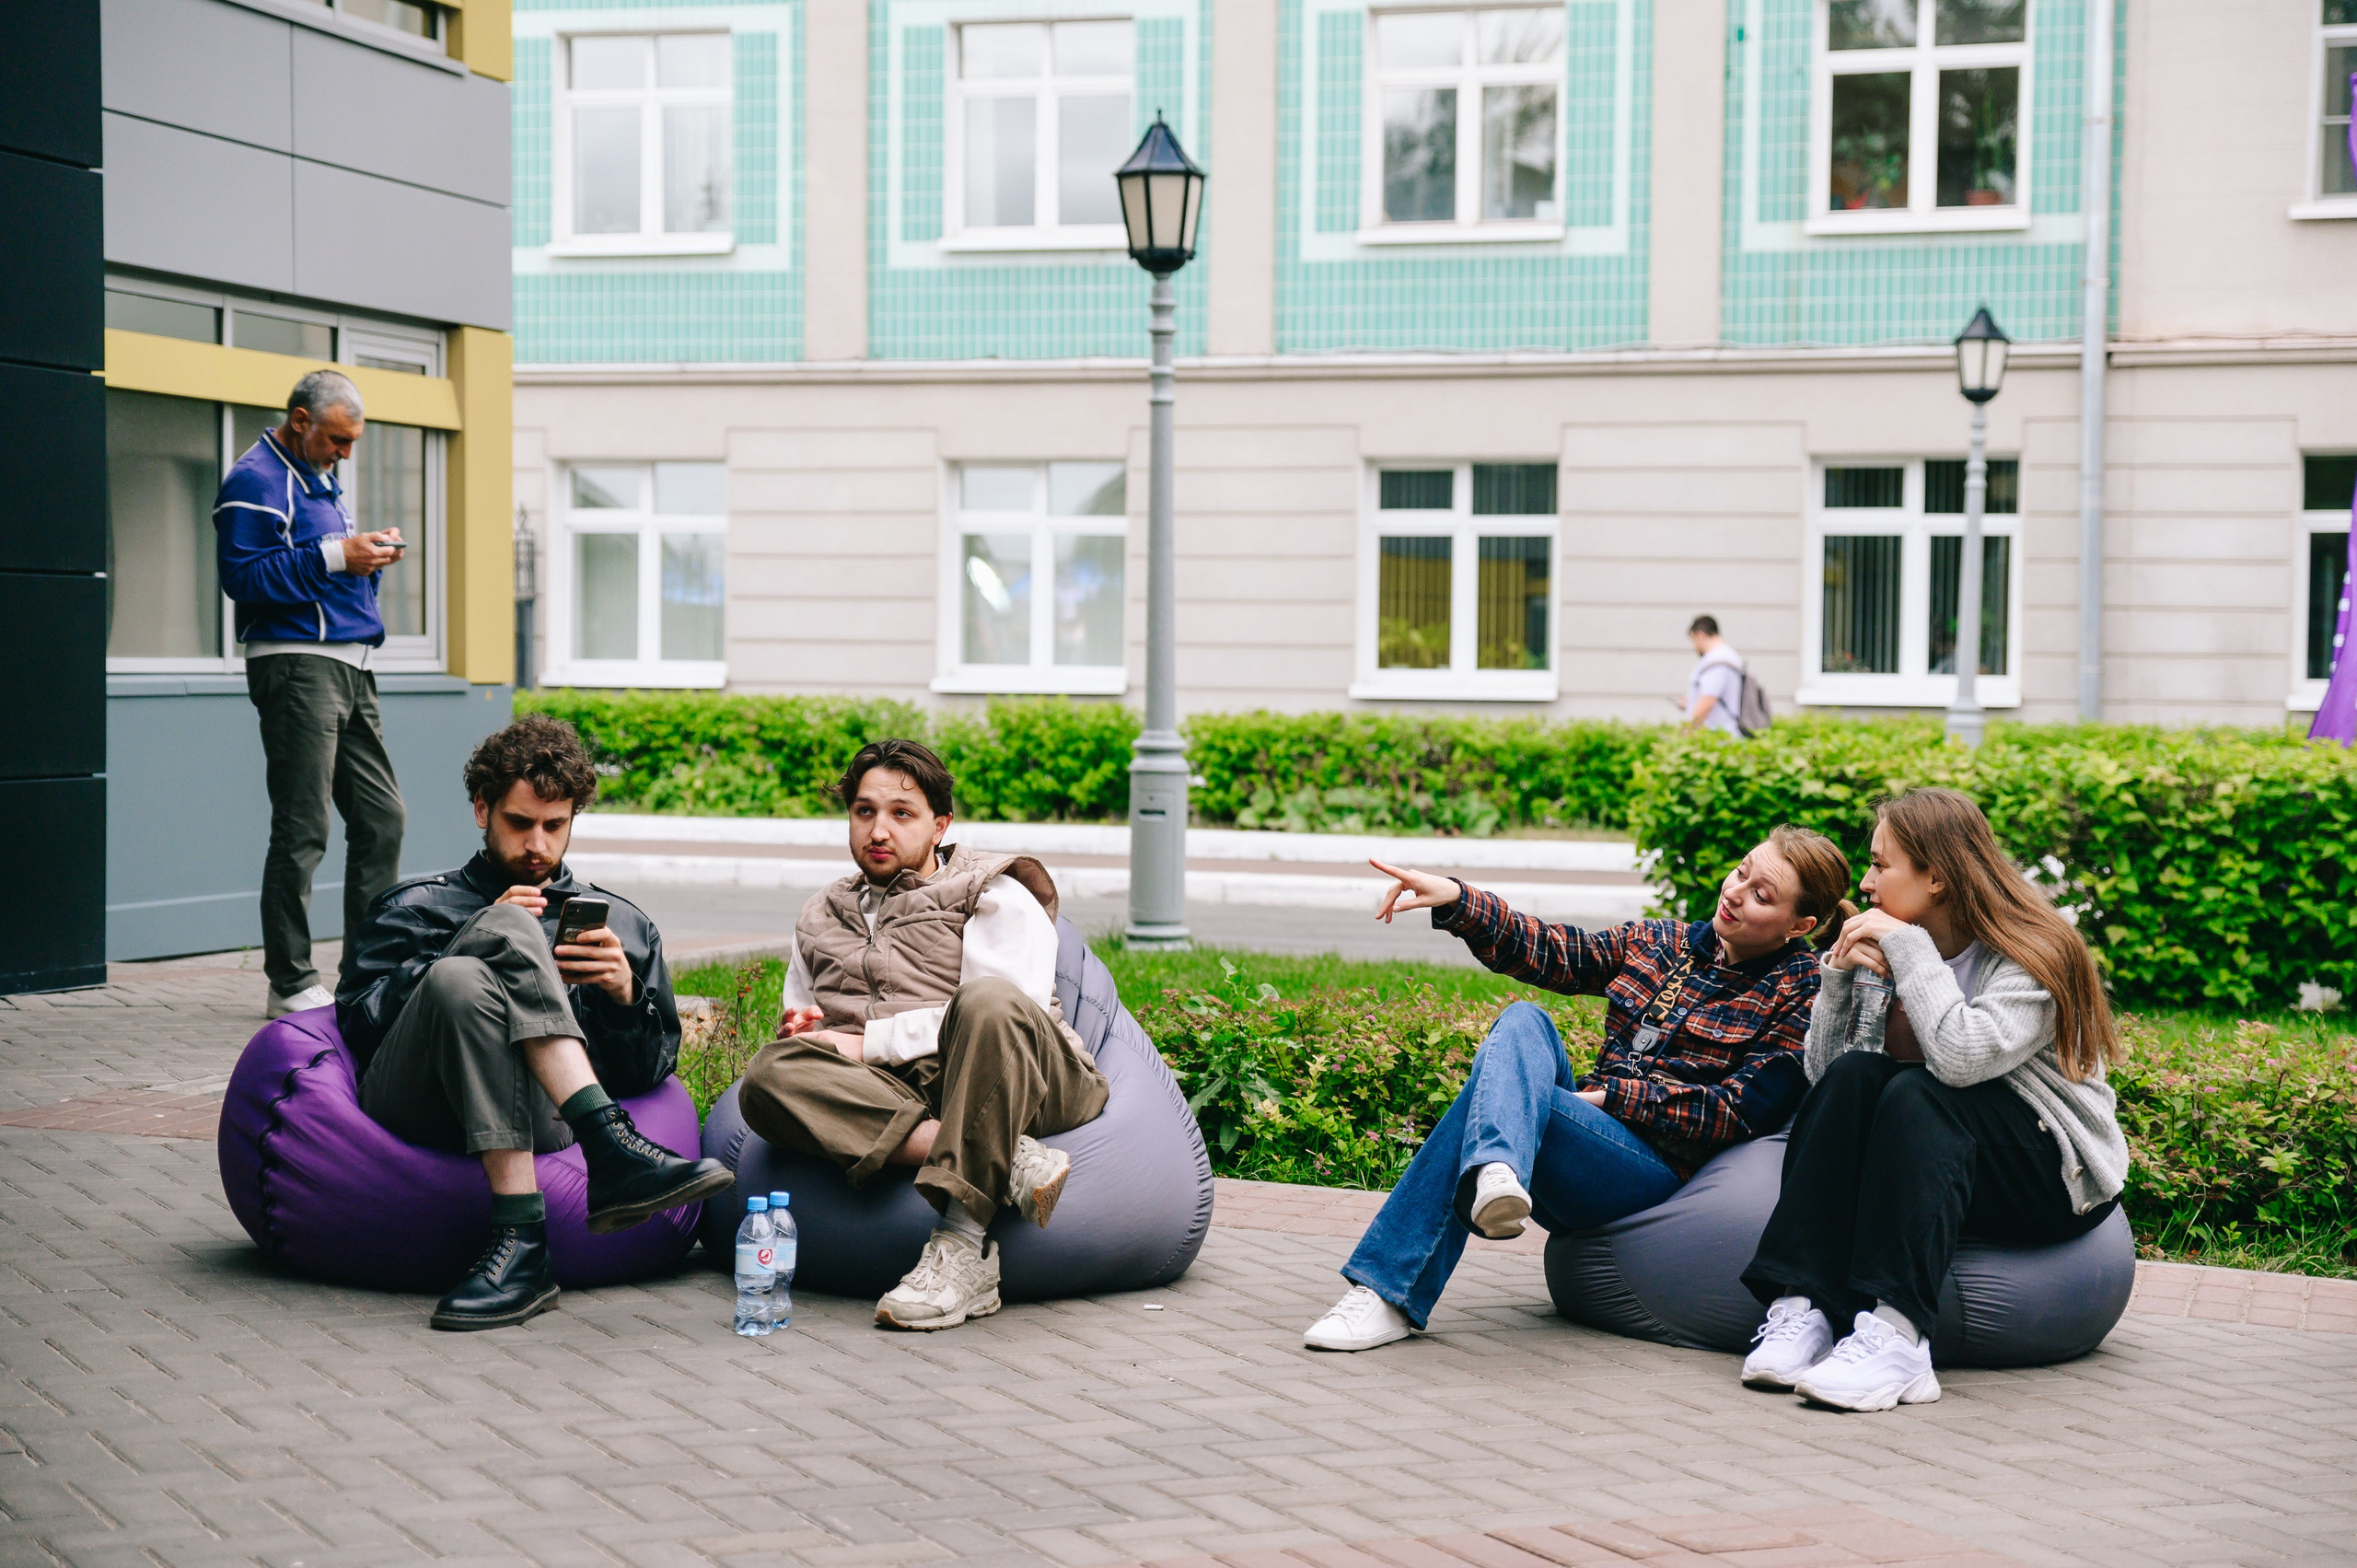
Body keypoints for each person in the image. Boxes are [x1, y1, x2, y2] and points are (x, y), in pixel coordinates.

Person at [1302, 827, 1854, 1352]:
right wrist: (1457, 899)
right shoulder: (1660, 942)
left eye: (1761, 894)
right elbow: (1554, 950)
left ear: (1799, 925)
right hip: (1584, 1143)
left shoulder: (1799, 990)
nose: (1735, 894)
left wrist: (1617, 1099)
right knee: (1523, 1021)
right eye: (1740, 873)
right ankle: (1496, 1174)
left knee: (1490, 1100)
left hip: (1654, 1181)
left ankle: (1388, 1291)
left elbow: (1738, 1111)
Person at [1736, 788, 2129, 1412]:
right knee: (1857, 1076)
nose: (1865, 884)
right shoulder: (1890, 940)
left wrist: (1909, 952)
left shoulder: (2034, 951)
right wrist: (1838, 979)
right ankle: (1803, 1305)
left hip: (2051, 1172)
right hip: (1937, 1160)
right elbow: (1827, 1078)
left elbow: (1961, 1057)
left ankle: (1900, 1336)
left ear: (1937, 876)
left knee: (1922, 1090)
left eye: (1879, 864)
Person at [337, 716, 734, 1331]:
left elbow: (650, 1070)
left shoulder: (624, 926)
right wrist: (467, 940)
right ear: (481, 809)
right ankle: (612, 1149)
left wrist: (624, 996)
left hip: (541, 1117)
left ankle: (522, 1246)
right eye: (520, 823)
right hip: (418, 1099)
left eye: (555, 826)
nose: (538, 846)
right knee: (460, 970)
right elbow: (360, 1025)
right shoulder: (413, 906)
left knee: (464, 979)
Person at [736, 739, 1108, 1332]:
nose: (878, 830)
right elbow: (803, 1012)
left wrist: (864, 1043)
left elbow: (1011, 1011)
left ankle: (963, 1248)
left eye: (901, 814)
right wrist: (807, 1032)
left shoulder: (993, 891)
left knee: (986, 1001)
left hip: (1032, 1076)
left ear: (940, 825)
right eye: (864, 812)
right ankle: (1003, 1156)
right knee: (767, 1075)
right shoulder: (821, 913)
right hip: (899, 1090)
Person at [215, 370, 412, 1019]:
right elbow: (241, 577)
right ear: (300, 420)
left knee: (383, 819)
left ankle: (366, 972)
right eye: (337, 439)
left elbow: (322, 560)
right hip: (297, 667)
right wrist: (335, 555)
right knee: (303, 826)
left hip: (352, 666)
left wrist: (364, 553)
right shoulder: (254, 480)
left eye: (352, 441)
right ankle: (290, 982)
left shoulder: (318, 479)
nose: (345, 453)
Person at [1684, 614, 1745, 736]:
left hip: (1718, 739)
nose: (1693, 647)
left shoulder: (1717, 661)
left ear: (1700, 635)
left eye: (1693, 640)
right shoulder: (1727, 657)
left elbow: (1708, 700)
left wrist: (1687, 732)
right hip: (1724, 735)